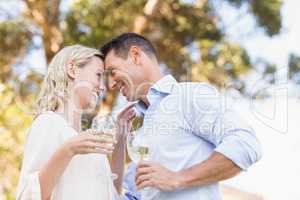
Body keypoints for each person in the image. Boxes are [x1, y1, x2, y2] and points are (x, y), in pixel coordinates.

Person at [100, 33, 263, 200]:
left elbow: (245, 143)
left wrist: (178, 178)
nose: (111, 84)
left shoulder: (189, 96)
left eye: (113, 72)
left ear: (135, 55)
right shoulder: (140, 132)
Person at [16, 45, 135, 200]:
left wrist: (121, 139)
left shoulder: (84, 139)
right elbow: (28, 196)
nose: (101, 87)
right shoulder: (48, 122)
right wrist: (68, 150)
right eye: (98, 75)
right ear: (72, 69)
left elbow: (112, 193)